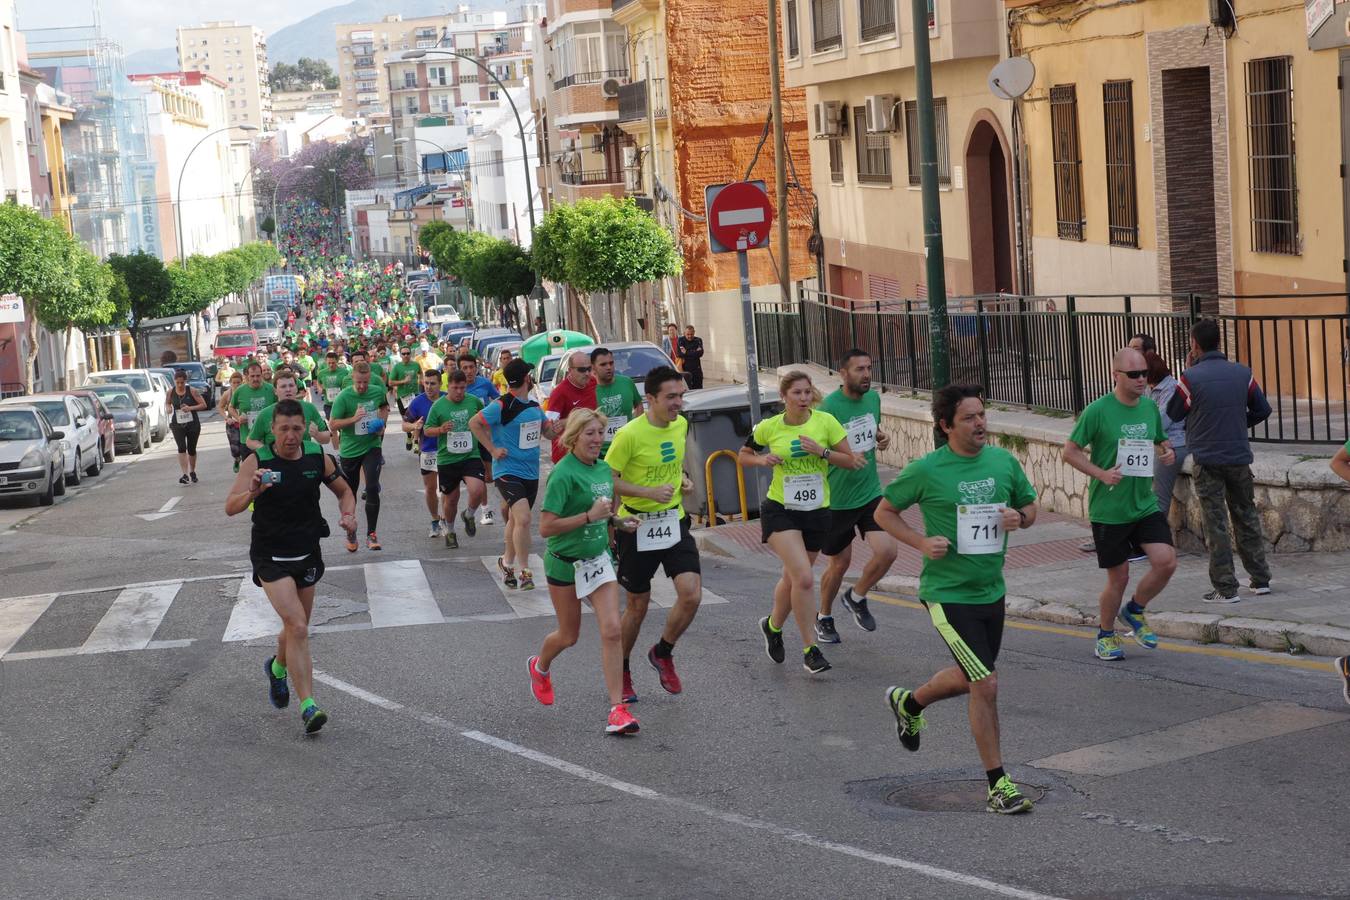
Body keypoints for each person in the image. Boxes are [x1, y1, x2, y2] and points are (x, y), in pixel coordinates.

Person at [874, 384, 1039, 815]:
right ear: (946, 425)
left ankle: (909, 702)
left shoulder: (1003, 461)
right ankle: (998, 785)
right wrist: (920, 542)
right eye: (969, 417)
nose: (980, 422)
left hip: (992, 590)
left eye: (982, 414)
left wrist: (1017, 518)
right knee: (985, 684)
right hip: (946, 595)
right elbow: (883, 512)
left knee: (972, 678)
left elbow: (1030, 508)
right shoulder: (928, 469)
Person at [226, 399, 358, 735]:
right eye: (283, 429)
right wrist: (254, 491)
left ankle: (278, 667)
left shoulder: (317, 458)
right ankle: (308, 705)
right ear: (272, 430)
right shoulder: (257, 461)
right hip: (271, 555)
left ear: (305, 429)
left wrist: (348, 514)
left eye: (296, 428)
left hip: (307, 551)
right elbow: (231, 506)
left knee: (295, 626)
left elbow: (345, 492)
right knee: (298, 625)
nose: (290, 436)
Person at [738, 370, 861, 675]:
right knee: (804, 578)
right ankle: (810, 649)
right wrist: (760, 460)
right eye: (797, 393)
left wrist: (822, 451)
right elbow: (743, 454)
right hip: (781, 509)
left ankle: (772, 626)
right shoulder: (769, 427)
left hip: (817, 511)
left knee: (793, 578)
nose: (804, 398)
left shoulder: (825, 423)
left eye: (808, 392)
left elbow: (851, 461)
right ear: (784, 397)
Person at [528, 407, 642, 735]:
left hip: (598, 560)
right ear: (574, 437)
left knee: (612, 630)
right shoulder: (563, 474)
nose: (597, 440)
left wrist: (617, 521)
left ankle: (617, 710)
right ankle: (540, 666)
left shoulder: (604, 469)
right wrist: (589, 517)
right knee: (569, 635)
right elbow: (547, 527)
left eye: (600, 433)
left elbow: (603, 511)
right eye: (590, 434)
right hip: (565, 563)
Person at [1063, 348, 1179, 662]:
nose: (1142, 379)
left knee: (1166, 560)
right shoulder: (1098, 411)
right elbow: (1070, 452)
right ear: (1116, 375)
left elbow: (1159, 440)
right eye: (1134, 374)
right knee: (1120, 576)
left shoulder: (1149, 408)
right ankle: (1105, 635)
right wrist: (1101, 473)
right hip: (1110, 509)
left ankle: (1135, 610)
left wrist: (1166, 451)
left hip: (1143, 503)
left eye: (1144, 373)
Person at [606, 365, 702, 703]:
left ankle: (663, 652)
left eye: (681, 395)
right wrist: (646, 495)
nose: (678, 403)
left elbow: (672, 466)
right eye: (671, 397)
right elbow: (608, 478)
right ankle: (623, 668)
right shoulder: (630, 434)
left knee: (690, 594)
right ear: (650, 400)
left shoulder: (681, 425)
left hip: (673, 520)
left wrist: (683, 479)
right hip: (637, 525)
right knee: (637, 605)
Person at [1166, 318, 1273, 602]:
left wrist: (1188, 371)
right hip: (1239, 457)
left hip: (1208, 459)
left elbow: (1175, 411)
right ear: (1219, 343)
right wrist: (1239, 423)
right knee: (1246, 516)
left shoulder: (1191, 377)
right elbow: (1263, 409)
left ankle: (1226, 588)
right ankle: (1260, 579)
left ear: (1195, 345)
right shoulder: (1242, 373)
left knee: (1216, 523)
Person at [816, 349, 897, 643]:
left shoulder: (873, 399)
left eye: (869, 367)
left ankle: (857, 596)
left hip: (870, 492)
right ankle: (824, 616)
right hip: (837, 499)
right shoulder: (828, 409)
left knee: (888, 551)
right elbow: (819, 455)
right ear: (843, 374)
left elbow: (870, 428)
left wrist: (881, 436)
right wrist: (844, 457)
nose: (866, 374)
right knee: (840, 564)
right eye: (859, 369)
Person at [470, 358, 562, 591]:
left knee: (514, 520)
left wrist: (559, 427)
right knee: (523, 519)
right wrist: (492, 449)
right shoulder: (502, 405)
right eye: (529, 375)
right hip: (507, 470)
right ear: (525, 379)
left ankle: (506, 562)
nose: (531, 378)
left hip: (530, 472)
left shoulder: (533, 407)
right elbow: (474, 423)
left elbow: (548, 434)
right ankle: (525, 572)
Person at [329, 361, 390, 552]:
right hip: (350, 451)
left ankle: (371, 534)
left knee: (372, 487)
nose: (362, 386)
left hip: (371, 446)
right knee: (350, 492)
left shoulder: (377, 391)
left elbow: (384, 407)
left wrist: (381, 424)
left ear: (369, 378)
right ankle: (351, 530)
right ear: (352, 379)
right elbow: (333, 424)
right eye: (359, 382)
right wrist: (353, 419)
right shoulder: (344, 397)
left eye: (365, 382)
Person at [423, 368, 487, 550]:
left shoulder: (474, 402)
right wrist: (441, 429)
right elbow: (427, 430)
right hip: (447, 459)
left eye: (462, 388)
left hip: (470, 455)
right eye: (455, 388)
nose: (459, 392)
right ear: (447, 387)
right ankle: (450, 531)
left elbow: (483, 420)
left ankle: (469, 514)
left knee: (478, 489)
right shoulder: (438, 406)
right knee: (451, 500)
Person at [1145, 349, 1188, 524]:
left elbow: (1161, 422)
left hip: (1174, 444)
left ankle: (1156, 539)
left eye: (1141, 372)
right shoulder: (1150, 388)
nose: (1137, 377)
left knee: (1159, 499)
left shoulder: (1171, 389)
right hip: (1156, 443)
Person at [402, 368, 446, 538]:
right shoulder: (417, 402)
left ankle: (447, 521)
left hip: (448, 451)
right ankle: (435, 519)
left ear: (440, 384)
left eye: (433, 383)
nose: (429, 387)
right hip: (428, 451)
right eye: (426, 383)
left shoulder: (447, 398)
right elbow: (404, 425)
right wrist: (414, 426)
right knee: (430, 488)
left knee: (447, 490)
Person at [459, 353, 501, 526]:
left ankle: (476, 509)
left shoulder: (484, 383)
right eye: (465, 368)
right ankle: (485, 510)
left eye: (471, 367)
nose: (469, 371)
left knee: (489, 475)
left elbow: (498, 400)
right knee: (480, 474)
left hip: (485, 436)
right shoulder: (458, 387)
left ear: (476, 368)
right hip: (466, 439)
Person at [247, 370, 330, 451]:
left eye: (291, 385)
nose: (288, 389)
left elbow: (327, 438)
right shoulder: (265, 413)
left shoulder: (309, 408)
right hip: (277, 462)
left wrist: (317, 435)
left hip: (304, 460)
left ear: (296, 388)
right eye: (283, 386)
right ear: (275, 391)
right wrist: (267, 451)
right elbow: (250, 441)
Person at [591, 347, 644, 460]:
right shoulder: (589, 390)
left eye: (611, 363)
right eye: (603, 364)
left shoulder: (626, 382)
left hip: (628, 448)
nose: (609, 367)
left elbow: (639, 404)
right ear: (593, 368)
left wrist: (636, 427)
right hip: (601, 453)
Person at [546, 350, 597, 463]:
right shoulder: (559, 392)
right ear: (570, 371)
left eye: (589, 369)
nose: (587, 373)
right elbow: (548, 431)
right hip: (566, 457)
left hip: (589, 453)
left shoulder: (594, 383)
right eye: (582, 370)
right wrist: (568, 422)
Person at [167, 369, 208, 484]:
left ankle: (192, 471)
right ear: (174, 381)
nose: (180, 385)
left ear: (185, 381)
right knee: (181, 447)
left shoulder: (193, 391)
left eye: (182, 382)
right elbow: (167, 403)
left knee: (191, 449)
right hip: (177, 424)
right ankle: (184, 474)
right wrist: (168, 408)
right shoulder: (170, 392)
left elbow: (203, 405)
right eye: (177, 382)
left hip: (192, 424)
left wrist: (190, 408)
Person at [228, 363, 278, 454]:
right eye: (252, 376)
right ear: (247, 376)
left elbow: (279, 406)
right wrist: (238, 418)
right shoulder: (240, 390)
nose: (255, 379)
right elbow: (231, 407)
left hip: (268, 439)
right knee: (249, 467)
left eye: (258, 376)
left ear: (262, 375)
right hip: (247, 438)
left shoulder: (271, 389)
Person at [389, 346, 422, 450]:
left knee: (418, 418)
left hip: (415, 395)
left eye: (408, 353)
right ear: (400, 355)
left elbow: (421, 374)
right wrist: (403, 381)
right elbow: (390, 382)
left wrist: (422, 382)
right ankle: (408, 436)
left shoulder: (416, 365)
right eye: (403, 354)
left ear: (410, 354)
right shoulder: (397, 367)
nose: (406, 355)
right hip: (402, 397)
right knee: (406, 419)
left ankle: (416, 441)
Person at [220, 371, 246, 472]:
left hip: (244, 424)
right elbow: (220, 407)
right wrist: (227, 418)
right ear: (230, 382)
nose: (236, 385)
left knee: (245, 446)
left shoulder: (245, 392)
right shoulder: (227, 394)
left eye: (238, 382)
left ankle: (245, 467)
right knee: (235, 448)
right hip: (232, 425)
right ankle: (236, 459)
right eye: (233, 382)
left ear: (242, 382)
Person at [317, 351, 350, 417]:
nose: (331, 365)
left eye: (333, 363)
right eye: (329, 363)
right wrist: (320, 388)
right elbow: (319, 383)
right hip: (328, 404)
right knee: (331, 424)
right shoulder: (321, 373)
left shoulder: (345, 372)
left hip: (342, 403)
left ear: (337, 361)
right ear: (326, 362)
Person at [677, 325, 704, 389]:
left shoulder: (698, 340)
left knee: (698, 390)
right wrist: (694, 352)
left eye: (691, 334)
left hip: (697, 371)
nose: (690, 336)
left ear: (694, 332)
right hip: (685, 370)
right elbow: (680, 354)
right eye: (688, 334)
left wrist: (686, 352)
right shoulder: (681, 340)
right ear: (684, 333)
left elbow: (700, 353)